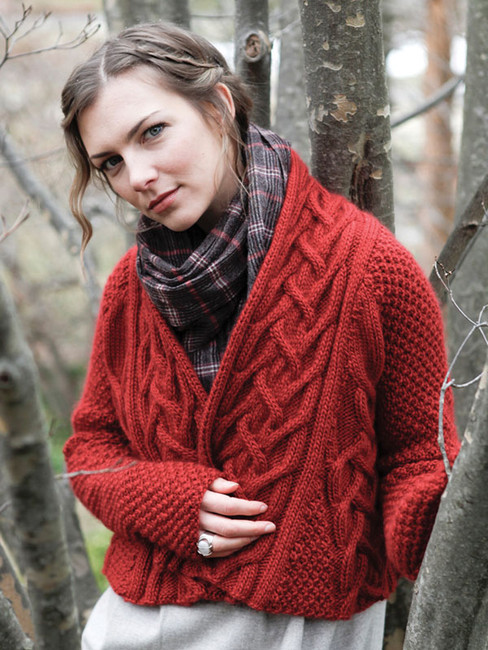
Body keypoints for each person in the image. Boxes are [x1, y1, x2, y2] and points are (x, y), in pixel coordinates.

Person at [61, 22, 459, 650]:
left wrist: (450, 544)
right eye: (110, 162)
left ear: (219, 105)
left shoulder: (370, 268)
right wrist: (161, 500)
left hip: (308, 630)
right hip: (137, 626)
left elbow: (417, 458)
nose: (137, 175)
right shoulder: (128, 289)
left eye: (152, 132)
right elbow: (90, 449)